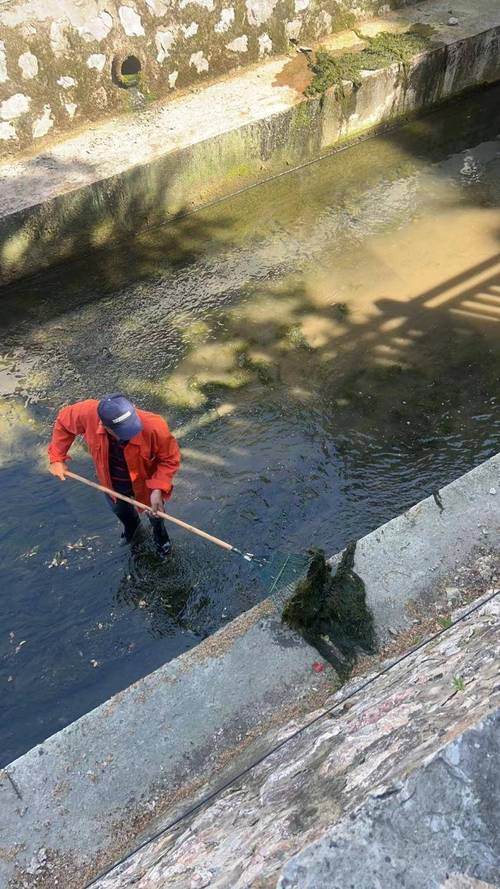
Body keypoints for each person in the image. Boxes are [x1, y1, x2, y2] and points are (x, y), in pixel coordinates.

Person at [48, 394, 181, 558]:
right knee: (123, 514)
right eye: (124, 431)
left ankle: (160, 535)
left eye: (133, 425)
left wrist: (158, 488)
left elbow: (170, 458)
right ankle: (132, 531)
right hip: (112, 485)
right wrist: (57, 458)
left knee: (155, 514)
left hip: (146, 484)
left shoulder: (154, 424)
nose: (132, 433)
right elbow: (63, 422)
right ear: (104, 426)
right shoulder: (87, 412)